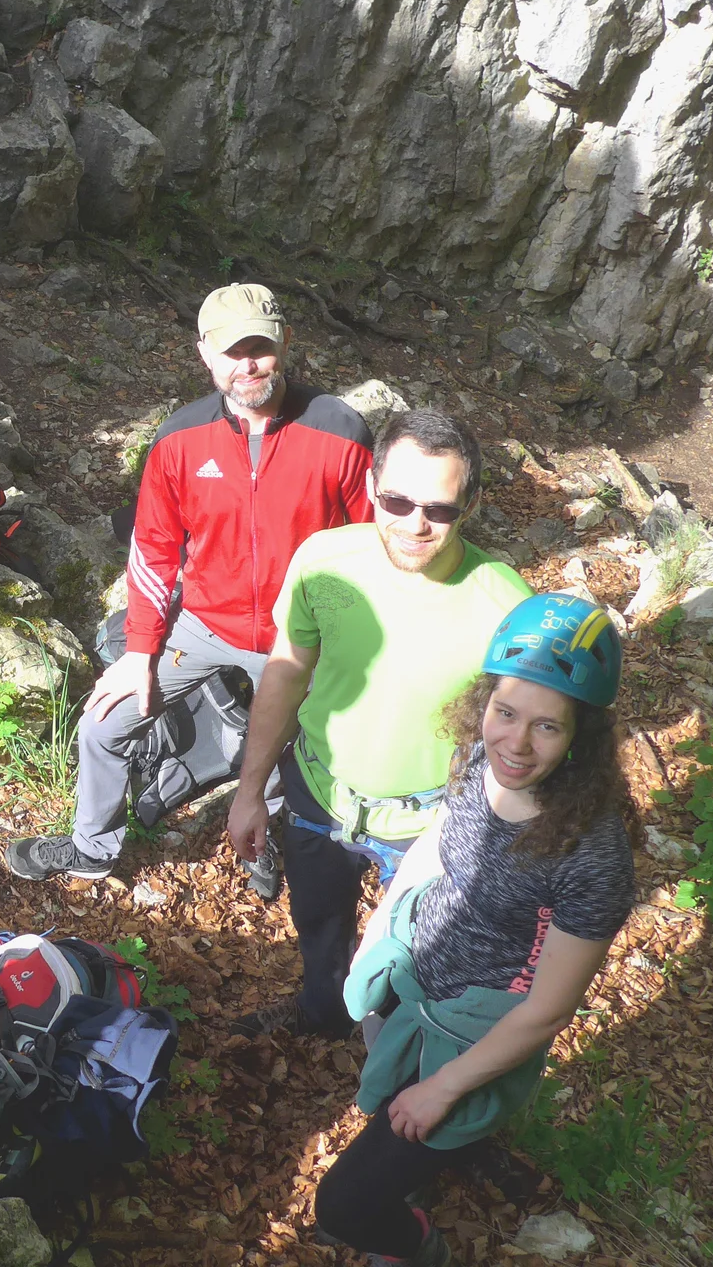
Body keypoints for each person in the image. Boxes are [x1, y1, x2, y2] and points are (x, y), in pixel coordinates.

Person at [4, 285, 372, 884]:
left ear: (285, 342)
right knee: (103, 725)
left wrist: (348, 643)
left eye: (260, 348)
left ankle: (259, 835)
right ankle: (93, 847)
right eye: (232, 351)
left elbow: (368, 548)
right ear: (204, 353)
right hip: (203, 624)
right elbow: (152, 548)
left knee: (286, 746)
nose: (247, 364)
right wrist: (141, 653)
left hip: (301, 636)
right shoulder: (178, 439)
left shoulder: (339, 430)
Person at [313, 594, 635, 1267]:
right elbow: (439, 842)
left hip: (474, 1032)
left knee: (342, 1207)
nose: (515, 744)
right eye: (505, 713)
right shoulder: (479, 757)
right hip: (414, 980)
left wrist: (445, 1086)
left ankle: (418, 1246)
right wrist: (380, 934)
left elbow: (547, 1011)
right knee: (395, 1115)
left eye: (547, 728)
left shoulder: (591, 853)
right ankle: (446, 1152)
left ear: (582, 736)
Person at [224, 410, 531, 1039]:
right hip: (317, 791)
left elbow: (521, 739)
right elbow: (285, 672)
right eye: (397, 500)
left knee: (412, 960)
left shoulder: (505, 603)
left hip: (428, 823)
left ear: (469, 505)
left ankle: (394, 1063)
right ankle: (320, 1012)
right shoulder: (324, 561)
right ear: (371, 487)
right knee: (317, 922)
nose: (415, 523)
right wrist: (250, 791)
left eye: (439, 509)